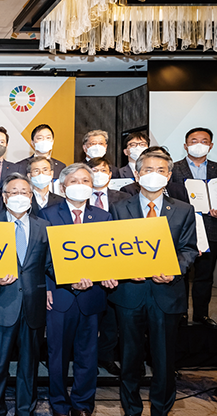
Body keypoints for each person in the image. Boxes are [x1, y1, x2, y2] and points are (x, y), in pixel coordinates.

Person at [109, 149, 197, 416]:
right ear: (137, 174)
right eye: (148, 170)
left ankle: (161, 409)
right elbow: (110, 248)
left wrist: (174, 270)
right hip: (129, 294)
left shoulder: (183, 210)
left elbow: (188, 249)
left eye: (160, 170)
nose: (154, 175)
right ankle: (131, 409)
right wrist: (125, 270)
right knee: (129, 359)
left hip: (166, 294)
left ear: (169, 176)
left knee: (164, 359)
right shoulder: (119, 208)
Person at [38, 163, 116, 416]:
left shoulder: (104, 217)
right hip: (60, 295)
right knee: (57, 355)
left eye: (85, 181)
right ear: (62, 187)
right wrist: (60, 281)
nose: (80, 185)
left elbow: (109, 254)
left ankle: (83, 404)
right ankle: (59, 404)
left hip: (92, 296)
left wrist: (109, 274)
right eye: (74, 181)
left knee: (88, 355)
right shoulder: (47, 215)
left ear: (92, 186)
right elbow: (42, 256)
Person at [0, 173, 51, 416]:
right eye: (14, 192)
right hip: (1, 305)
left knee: (29, 366)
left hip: (33, 306)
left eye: (24, 192)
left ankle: (25, 410)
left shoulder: (44, 226)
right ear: (4, 197)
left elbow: (51, 265)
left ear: (31, 197)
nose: (19, 196)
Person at [171, 127, 217, 328]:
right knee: (180, 274)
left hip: (211, 228)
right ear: (185, 145)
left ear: (211, 145)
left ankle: (201, 315)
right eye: (194, 141)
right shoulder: (173, 168)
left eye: (204, 141)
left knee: (205, 275)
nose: (199, 145)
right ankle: (180, 314)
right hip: (182, 228)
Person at [87, 157, 130, 376]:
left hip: (116, 262)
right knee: (89, 316)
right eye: (94, 170)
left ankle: (106, 355)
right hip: (86, 261)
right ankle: (87, 358)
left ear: (110, 174)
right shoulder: (78, 196)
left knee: (112, 317)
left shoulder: (123, 198)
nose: (99, 174)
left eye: (103, 170)